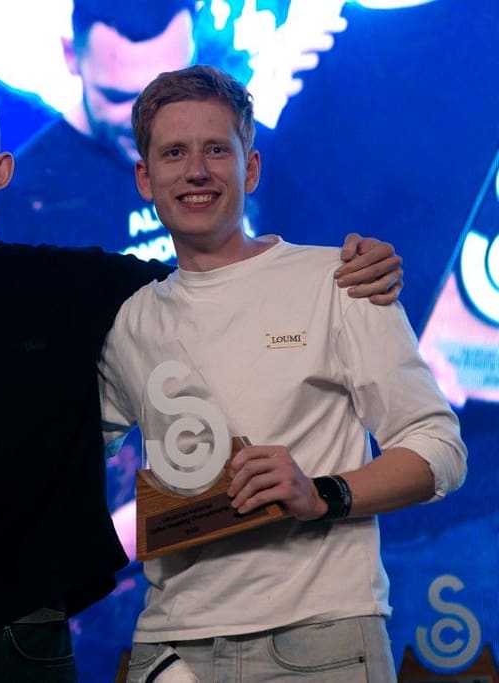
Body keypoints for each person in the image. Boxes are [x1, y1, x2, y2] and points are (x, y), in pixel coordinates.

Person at [0, 84, 405, 681]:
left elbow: (210, 283)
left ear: (1, 170)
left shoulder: (73, 284)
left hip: (22, 634)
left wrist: (348, 263)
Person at [98, 65, 467, 682]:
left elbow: (439, 448)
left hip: (318, 638)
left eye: (217, 149)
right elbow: (60, 452)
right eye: (174, 153)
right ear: (145, 177)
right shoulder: (132, 321)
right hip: (172, 648)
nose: (196, 170)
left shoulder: (340, 281)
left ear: (250, 169)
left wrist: (323, 494)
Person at [0, 0, 343, 260]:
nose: (146, 118)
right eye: (118, 96)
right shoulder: (22, 200)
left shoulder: (250, 147)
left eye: (167, 91)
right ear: (71, 56)